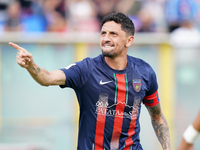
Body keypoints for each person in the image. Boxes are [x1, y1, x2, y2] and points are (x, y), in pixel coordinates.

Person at [9, 12, 171, 150]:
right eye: (103, 33)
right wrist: (31, 66)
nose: (106, 38)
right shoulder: (86, 69)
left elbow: (157, 116)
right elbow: (48, 78)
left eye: (113, 34)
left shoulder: (145, 72)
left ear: (129, 40)